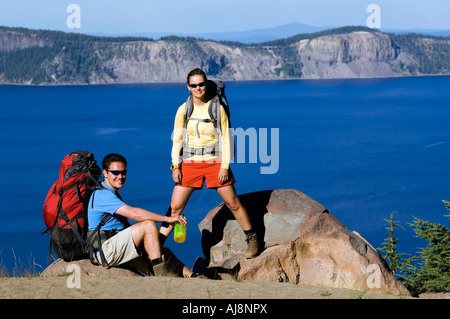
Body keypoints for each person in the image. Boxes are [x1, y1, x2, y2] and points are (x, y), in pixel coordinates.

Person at [159, 68, 260, 259]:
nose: (198, 88)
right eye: (194, 85)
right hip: (190, 162)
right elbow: (177, 140)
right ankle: (156, 245)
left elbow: (227, 139)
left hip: (215, 162)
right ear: (188, 87)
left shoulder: (217, 108)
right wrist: (175, 165)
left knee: (233, 203)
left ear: (206, 84)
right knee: (175, 208)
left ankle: (252, 238)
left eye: (201, 84)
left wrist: (225, 166)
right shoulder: (183, 109)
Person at [87, 153, 193, 277]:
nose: (120, 176)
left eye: (123, 172)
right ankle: (161, 275)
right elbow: (134, 214)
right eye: (115, 172)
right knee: (148, 225)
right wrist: (167, 219)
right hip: (104, 252)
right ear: (105, 173)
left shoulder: (111, 193)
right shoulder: (102, 195)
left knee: (165, 252)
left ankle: (193, 276)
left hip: (115, 247)